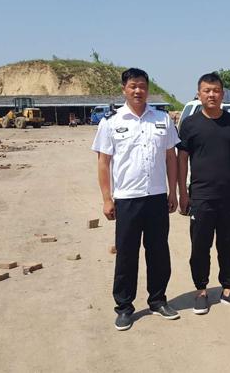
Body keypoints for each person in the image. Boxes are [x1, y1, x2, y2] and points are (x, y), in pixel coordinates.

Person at [91, 68, 180, 331]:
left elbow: (171, 158)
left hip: (156, 197)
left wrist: (173, 192)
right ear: (124, 89)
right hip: (127, 199)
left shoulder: (162, 119)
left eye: (142, 86)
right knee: (127, 255)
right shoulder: (110, 122)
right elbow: (103, 162)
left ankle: (158, 300)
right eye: (133, 86)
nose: (138, 90)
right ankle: (124, 308)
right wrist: (107, 199)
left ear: (148, 89)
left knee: (158, 252)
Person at [177, 72, 230, 314]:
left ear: (222, 94)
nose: (212, 95)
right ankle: (201, 291)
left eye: (216, 90)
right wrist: (182, 192)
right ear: (198, 94)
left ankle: (228, 289)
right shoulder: (190, 124)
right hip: (201, 196)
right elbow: (182, 159)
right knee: (200, 246)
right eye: (207, 90)